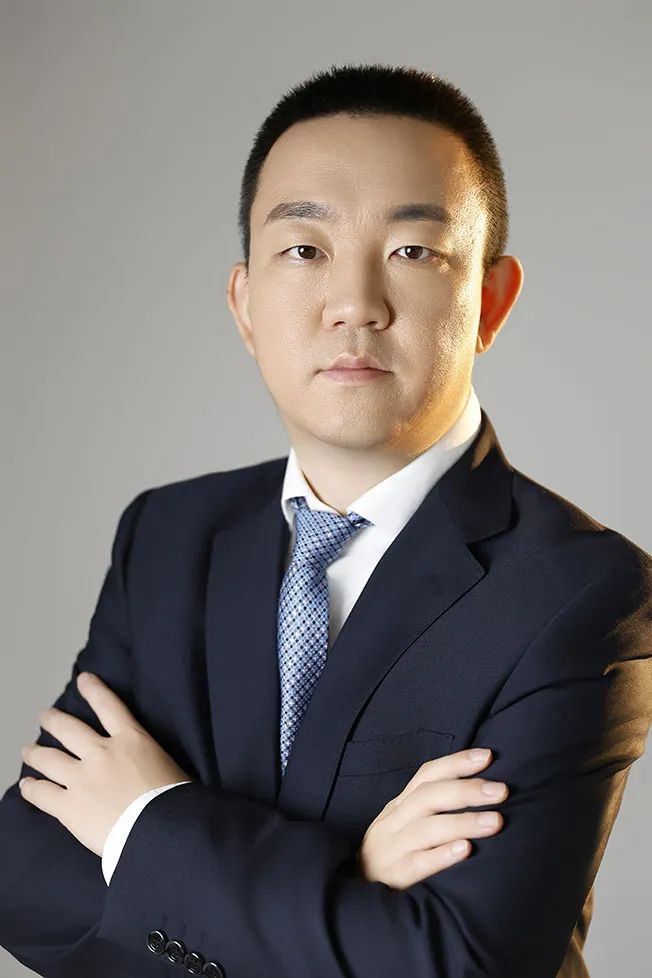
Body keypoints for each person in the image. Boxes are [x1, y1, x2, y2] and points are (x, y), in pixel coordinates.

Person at [1, 62, 651, 978]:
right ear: (245, 305)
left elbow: (464, 965)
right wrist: (352, 877)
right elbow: (28, 882)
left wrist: (143, 826)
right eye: (304, 250)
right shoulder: (168, 537)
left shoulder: (582, 594)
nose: (355, 304)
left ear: (491, 301)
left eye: (413, 251)